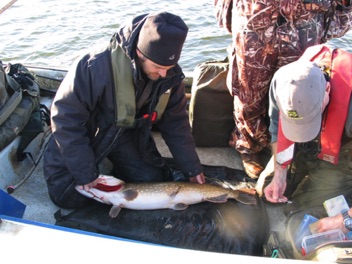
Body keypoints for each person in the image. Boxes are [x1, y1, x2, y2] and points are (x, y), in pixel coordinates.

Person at [43, 11, 205, 209]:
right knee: (67, 197)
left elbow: (176, 124)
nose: (164, 73)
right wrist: (84, 171)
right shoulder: (94, 65)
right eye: (157, 66)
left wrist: (192, 167)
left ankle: (115, 166)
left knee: (152, 181)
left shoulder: (170, 76)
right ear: (139, 52)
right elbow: (65, 119)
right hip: (88, 132)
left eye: (169, 66)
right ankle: (92, 165)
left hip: (127, 134)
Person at [213, 0, 352, 178]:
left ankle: (291, 147)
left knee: (298, 93)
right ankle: (249, 145)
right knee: (249, 94)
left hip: (305, 23)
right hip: (255, 21)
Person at [258, 46, 352, 212]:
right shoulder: (282, 80)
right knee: (267, 191)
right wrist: (280, 174)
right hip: (309, 145)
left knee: (303, 208)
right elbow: (275, 126)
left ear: (327, 90)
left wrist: (345, 220)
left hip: (344, 150)